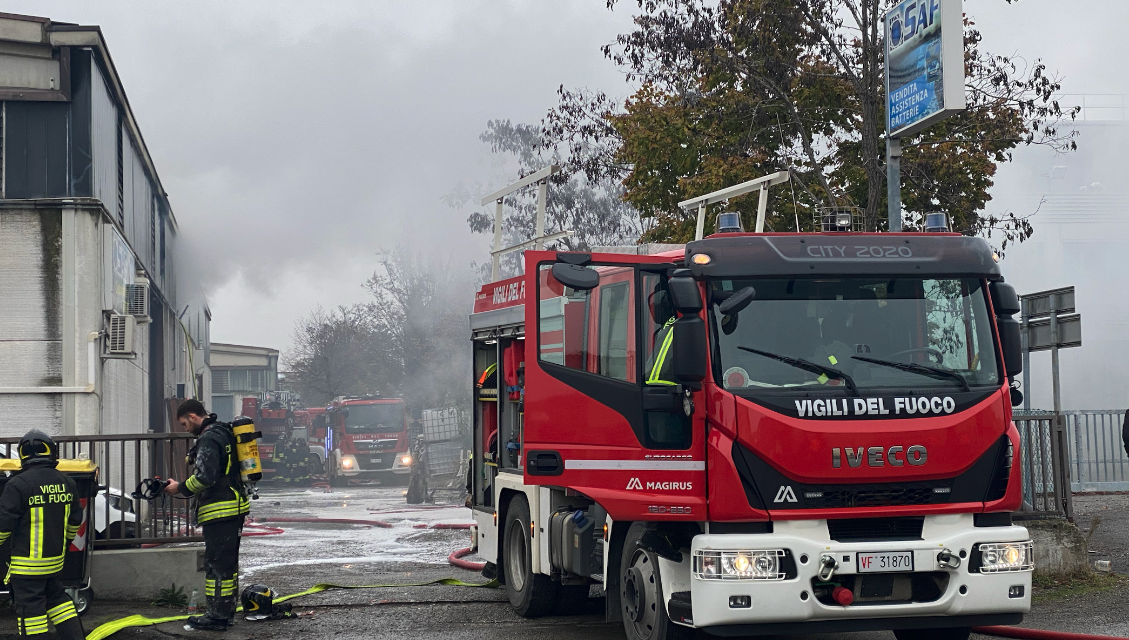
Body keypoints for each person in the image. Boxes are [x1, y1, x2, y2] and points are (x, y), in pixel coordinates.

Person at [164, 400, 251, 631]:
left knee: (216, 565)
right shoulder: (224, 432)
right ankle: (225, 612)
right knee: (227, 565)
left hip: (220, 510)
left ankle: (216, 617)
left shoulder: (209, 438)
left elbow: (205, 477)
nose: (185, 429)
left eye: (184, 424)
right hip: (234, 507)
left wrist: (179, 487)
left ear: (193, 417)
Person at [0, 430, 84, 639]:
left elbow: (3, 524)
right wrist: (65, 543)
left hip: (26, 566)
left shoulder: (18, 485)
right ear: (51, 453)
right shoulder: (67, 482)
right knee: (58, 601)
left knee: (31, 612)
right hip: (54, 562)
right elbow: (75, 519)